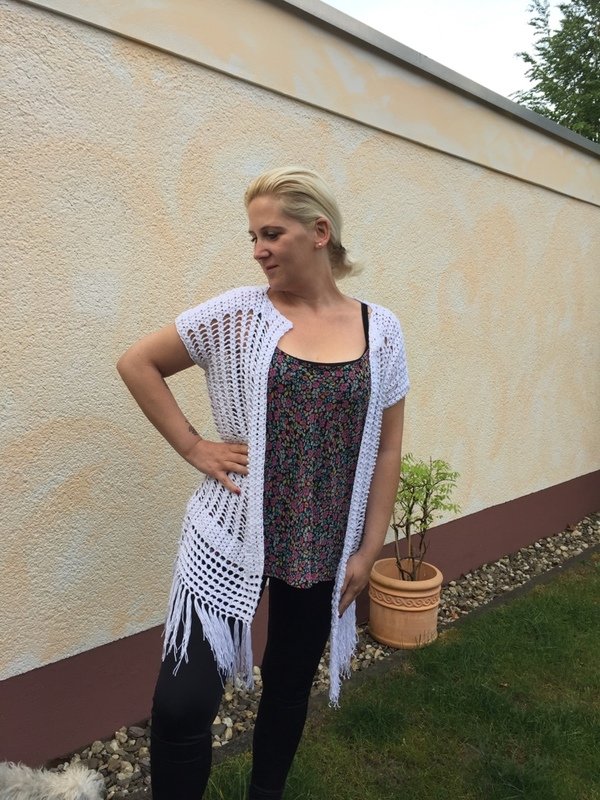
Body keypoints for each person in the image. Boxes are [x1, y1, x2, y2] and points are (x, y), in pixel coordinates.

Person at [116, 166, 409, 799]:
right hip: (230, 531)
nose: (258, 250)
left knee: (288, 687)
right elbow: (138, 363)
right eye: (253, 237)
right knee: (181, 705)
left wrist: (369, 547)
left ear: (319, 232)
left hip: (321, 543)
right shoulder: (239, 315)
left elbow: (388, 447)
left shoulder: (381, 330)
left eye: (271, 234)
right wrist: (194, 446)